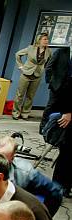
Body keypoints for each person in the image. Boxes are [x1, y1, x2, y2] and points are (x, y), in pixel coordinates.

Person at [0, 135, 63, 216]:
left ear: (13, 157)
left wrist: (42, 217)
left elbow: (55, 191)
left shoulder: (25, 172)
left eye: (2, 160)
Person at [42, 44, 72, 197]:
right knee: (67, 152)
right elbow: (69, 87)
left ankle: (67, 186)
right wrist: (68, 112)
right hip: (67, 109)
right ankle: (58, 187)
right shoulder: (62, 53)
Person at [12, 33, 51, 120]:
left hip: (37, 75)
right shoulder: (31, 48)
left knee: (30, 96)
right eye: (44, 39)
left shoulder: (48, 51)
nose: (46, 41)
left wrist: (44, 68)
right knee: (20, 94)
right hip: (26, 73)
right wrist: (21, 66)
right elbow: (17, 54)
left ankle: (25, 113)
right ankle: (16, 113)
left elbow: (50, 61)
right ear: (39, 40)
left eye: (47, 39)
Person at [39, 43, 71, 134]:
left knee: (62, 108)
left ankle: (54, 128)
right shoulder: (61, 51)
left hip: (69, 88)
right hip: (57, 85)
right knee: (51, 106)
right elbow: (49, 67)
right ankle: (43, 128)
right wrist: (51, 81)